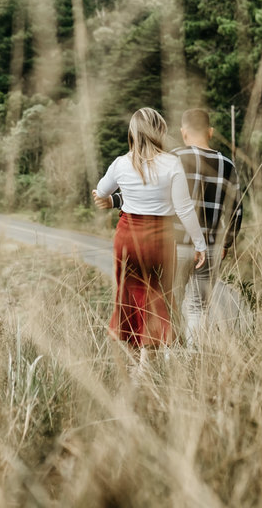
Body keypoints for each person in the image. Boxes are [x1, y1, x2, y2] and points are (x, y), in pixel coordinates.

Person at [97, 108, 243, 345]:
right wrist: (225, 243)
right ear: (211, 132)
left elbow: (146, 196)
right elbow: (236, 210)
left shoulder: (171, 157)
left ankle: (166, 360)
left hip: (174, 244)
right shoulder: (227, 165)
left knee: (166, 303)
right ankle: (192, 358)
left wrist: (113, 200)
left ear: (183, 133)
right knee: (197, 307)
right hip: (209, 247)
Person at [92, 107, 206, 360]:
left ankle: (135, 361)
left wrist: (107, 198)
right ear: (161, 131)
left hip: (127, 237)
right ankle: (146, 362)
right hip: (160, 239)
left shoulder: (121, 163)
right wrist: (200, 243)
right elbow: (185, 209)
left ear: (132, 133)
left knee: (130, 293)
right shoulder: (172, 163)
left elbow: (100, 191)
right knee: (157, 293)